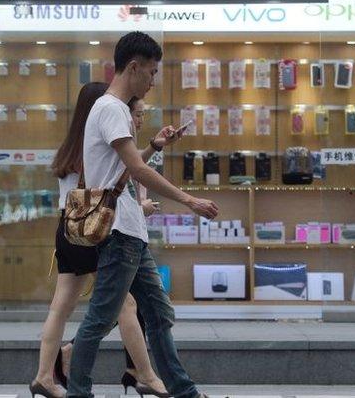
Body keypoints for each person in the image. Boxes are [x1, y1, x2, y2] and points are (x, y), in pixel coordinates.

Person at [67, 32, 219, 398]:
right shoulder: (111, 108)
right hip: (119, 233)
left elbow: (122, 171)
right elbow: (135, 171)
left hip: (129, 231)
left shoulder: (112, 110)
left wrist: (155, 145)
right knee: (100, 319)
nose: (153, 82)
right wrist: (189, 200)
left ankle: (183, 391)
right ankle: (77, 392)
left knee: (158, 313)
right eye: (151, 73)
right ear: (133, 68)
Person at [32, 82, 169, 398]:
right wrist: (141, 206)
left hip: (68, 227)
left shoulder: (69, 147)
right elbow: (119, 180)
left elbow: (125, 170)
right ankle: (145, 374)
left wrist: (152, 147)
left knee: (60, 308)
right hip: (94, 229)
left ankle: (44, 376)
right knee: (126, 304)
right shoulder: (97, 145)